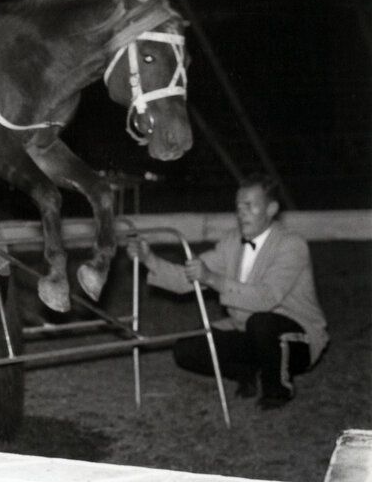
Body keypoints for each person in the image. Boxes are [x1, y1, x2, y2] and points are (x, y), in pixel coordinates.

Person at [126, 174, 328, 410]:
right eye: (238, 206)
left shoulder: (292, 245)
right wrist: (149, 259)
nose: (241, 213)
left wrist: (212, 278)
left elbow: (266, 299)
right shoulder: (231, 242)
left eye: (250, 206)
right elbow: (186, 279)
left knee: (261, 323)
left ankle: (277, 389)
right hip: (248, 332)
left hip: (296, 337)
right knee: (186, 350)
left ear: (272, 208)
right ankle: (248, 371)